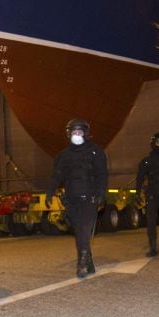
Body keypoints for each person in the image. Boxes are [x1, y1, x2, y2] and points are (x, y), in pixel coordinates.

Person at [45, 118, 108, 278]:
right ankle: (89, 260)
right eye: (74, 132)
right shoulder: (63, 156)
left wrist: (101, 194)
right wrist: (50, 192)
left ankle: (81, 264)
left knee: (85, 229)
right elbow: (57, 175)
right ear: (69, 134)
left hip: (90, 198)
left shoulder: (96, 151)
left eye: (80, 132)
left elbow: (102, 175)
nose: (77, 135)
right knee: (79, 231)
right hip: (71, 199)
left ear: (86, 134)